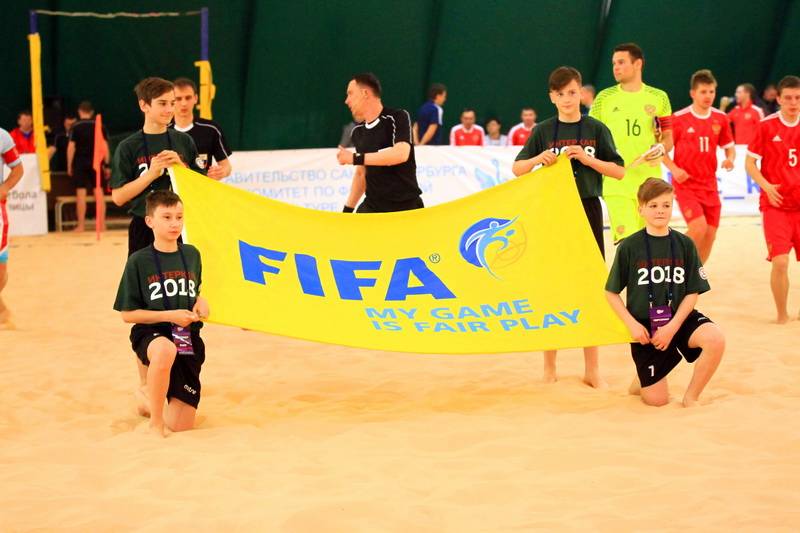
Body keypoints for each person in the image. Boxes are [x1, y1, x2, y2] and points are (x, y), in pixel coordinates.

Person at [512, 66, 625, 388]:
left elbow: (618, 171)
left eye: (572, 92)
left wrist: (589, 160)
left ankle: (592, 369)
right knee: (552, 287)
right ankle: (550, 367)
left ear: (582, 94)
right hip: (553, 213)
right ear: (552, 97)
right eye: (560, 94)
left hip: (587, 208)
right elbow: (517, 168)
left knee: (591, 287)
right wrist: (538, 159)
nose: (567, 99)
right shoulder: (543, 131)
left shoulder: (596, 129)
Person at [605, 178, 725, 407]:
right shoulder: (630, 246)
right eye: (653, 205)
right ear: (641, 209)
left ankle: (691, 397)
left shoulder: (685, 244)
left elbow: (692, 292)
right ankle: (643, 378)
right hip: (645, 326)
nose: (660, 210)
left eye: (666, 205)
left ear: (672, 207)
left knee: (715, 338)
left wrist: (672, 327)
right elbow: (611, 293)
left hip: (678, 317)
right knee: (657, 401)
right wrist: (632, 325)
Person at [114, 190, 209, 437]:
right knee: (165, 349)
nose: (174, 223)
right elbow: (127, 314)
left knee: (181, 426)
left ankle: (147, 401)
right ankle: (155, 423)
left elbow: (196, 290)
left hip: (185, 335)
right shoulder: (139, 261)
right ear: (150, 221)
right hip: (152, 331)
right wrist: (170, 316)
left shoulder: (192, 254)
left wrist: (201, 301)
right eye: (166, 217)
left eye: (179, 217)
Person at [111, 77, 206, 258]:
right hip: (144, 226)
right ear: (144, 105)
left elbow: (202, 186)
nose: (170, 109)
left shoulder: (183, 141)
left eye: (172, 103)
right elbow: (118, 197)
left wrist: (181, 168)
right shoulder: (128, 146)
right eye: (162, 103)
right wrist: (150, 174)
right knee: (145, 275)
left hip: (180, 225)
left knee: (184, 273)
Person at [590, 42, 674, 242]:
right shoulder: (604, 98)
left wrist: (661, 148)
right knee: (628, 243)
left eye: (621, 62)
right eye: (614, 63)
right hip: (616, 182)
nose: (616, 67)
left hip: (651, 184)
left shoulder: (659, 97)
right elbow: (590, 137)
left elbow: (668, 139)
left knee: (649, 244)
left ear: (638, 64)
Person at [662, 70, 735, 264]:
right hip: (686, 185)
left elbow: (730, 147)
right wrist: (674, 169)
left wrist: (730, 159)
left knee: (710, 235)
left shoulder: (720, 118)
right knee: (698, 228)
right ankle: (667, 258)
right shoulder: (679, 118)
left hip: (710, 185)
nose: (708, 96)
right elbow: (661, 150)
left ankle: (696, 274)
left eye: (711, 91)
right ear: (693, 93)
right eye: (703, 92)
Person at [744, 75, 800, 324]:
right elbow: (749, 163)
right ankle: (782, 316)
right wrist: (766, 186)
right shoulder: (767, 126)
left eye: (797, 98)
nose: (793, 102)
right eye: (788, 97)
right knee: (780, 262)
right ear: (778, 99)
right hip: (775, 205)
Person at [336, 73, 423, 213]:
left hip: (405, 207)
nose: (347, 101)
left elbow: (401, 154)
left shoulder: (397, 117)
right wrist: (347, 210)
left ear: (365, 93)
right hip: (373, 207)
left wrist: (355, 158)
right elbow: (361, 173)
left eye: (350, 93)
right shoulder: (358, 132)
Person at [170, 77, 232, 180]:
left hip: (201, 187)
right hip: (173, 188)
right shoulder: (163, 131)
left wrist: (221, 172)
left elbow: (226, 166)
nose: (184, 103)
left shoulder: (210, 129)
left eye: (188, 98)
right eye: (178, 99)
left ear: (195, 98)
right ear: (172, 101)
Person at [68, 101, 110, 232]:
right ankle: (101, 225)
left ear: (79, 111)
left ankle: (81, 225)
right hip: (96, 161)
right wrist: (106, 165)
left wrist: (69, 165)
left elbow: (71, 147)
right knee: (99, 193)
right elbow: (105, 147)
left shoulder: (75, 126)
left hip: (80, 162)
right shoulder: (99, 125)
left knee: (81, 194)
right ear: (91, 112)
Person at [0, 127, 24, 328]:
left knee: (1, 272)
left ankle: (2, 312)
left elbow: (18, 169)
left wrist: (5, 187)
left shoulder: (2, 136)